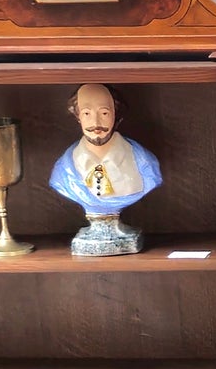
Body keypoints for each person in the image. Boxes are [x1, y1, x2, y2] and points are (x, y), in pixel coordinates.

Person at [49, 83, 161, 254]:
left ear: (116, 115)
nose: (96, 123)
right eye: (87, 113)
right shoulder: (64, 170)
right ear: (77, 116)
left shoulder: (145, 164)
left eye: (104, 113)